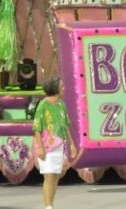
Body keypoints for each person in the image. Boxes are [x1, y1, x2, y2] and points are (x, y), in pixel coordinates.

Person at [32, 77, 78, 209]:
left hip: (60, 145)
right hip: (47, 147)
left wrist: (71, 144)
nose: (63, 88)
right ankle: (48, 206)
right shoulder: (43, 105)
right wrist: (40, 148)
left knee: (56, 175)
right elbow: (37, 128)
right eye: (61, 86)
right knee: (49, 176)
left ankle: (51, 203)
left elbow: (66, 125)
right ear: (55, 88)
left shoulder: (61, 104)